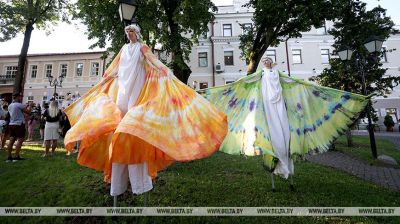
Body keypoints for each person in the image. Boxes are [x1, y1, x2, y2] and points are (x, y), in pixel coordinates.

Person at [63, 24, 227, 196]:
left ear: (137, 33)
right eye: (127, 32)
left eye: (131, 31)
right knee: (120, 122)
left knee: (134, 124)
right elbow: (114, 67)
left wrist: (165, 70)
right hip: (123, 88)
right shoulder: (124, 49)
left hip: (137, 88)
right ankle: (120, 181)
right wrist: (105, 79)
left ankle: (139, 183)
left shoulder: (142, 47)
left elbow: (152, 60)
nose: (129, 34)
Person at [199, 55, 370, 180]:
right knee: (273, 136)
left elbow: (294, 82)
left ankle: (285, 165)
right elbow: (242, 82)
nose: (266, 63)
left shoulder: (278, 74)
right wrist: (213, 91)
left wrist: (308, 85)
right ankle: (277, 165)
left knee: (284, 134)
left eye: (268, 61)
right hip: (265, 108)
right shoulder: (259, 75)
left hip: (279, 107)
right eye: (264, 62)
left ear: (272, 63)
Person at [6, 93, 32, 162]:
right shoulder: (19, 105)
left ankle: (9, 157)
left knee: (11, 140)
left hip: (11, 124)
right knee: (20, 140)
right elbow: (28, 112)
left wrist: (25, 107)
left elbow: (18, 112)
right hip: (19, 124)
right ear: (17, 97)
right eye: (21, 97)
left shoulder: (10, 105)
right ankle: (16, 156)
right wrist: (30, 106)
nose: (21, 98)